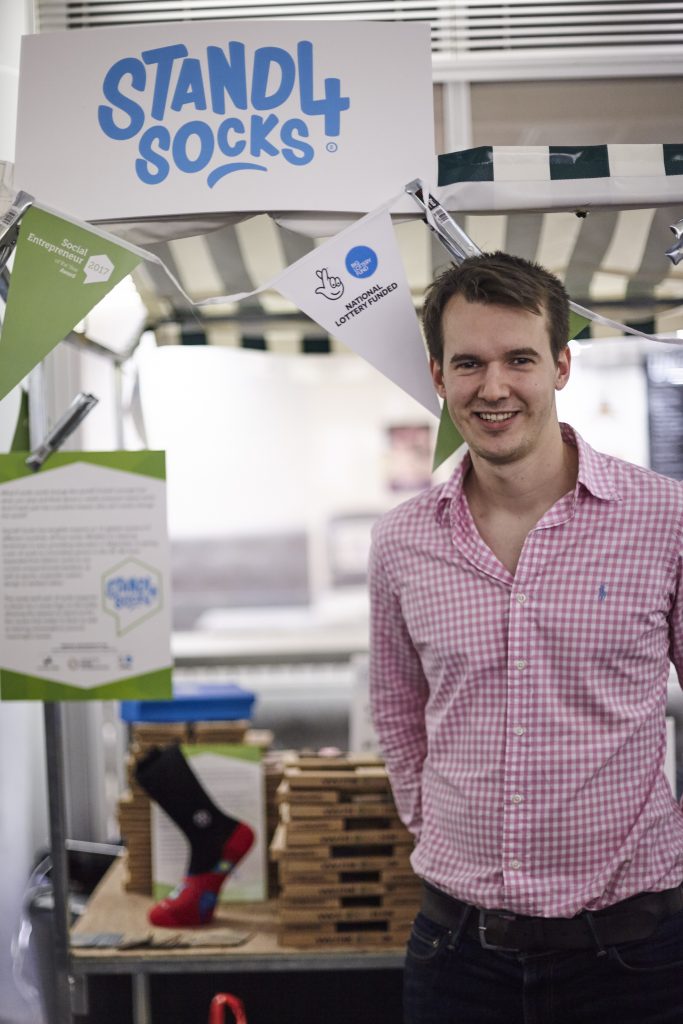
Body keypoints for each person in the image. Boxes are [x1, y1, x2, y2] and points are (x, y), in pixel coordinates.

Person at [368, 251, 683, 1024]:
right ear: (439, 378)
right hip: (456, 954)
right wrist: (445, 835)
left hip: (632, 952)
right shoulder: (402, 540)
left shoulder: (663, 519)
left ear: (561, 365)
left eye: (519, 359)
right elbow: (398, 715)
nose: (494, 386)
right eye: (469, 363)